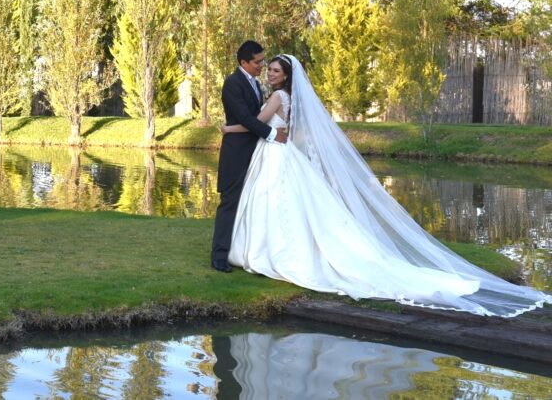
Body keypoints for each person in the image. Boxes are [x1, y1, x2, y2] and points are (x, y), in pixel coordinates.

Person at [219, 54, 550, 317]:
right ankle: (272, 249)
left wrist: (227, 129)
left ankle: (269, 253)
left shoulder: (277, 96)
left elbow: (255, 124)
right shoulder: (289, 97)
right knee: (284, 204)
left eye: (275, 69)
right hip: (281, 152)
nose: (271, 73)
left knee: (273, 202)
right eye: (269, 68)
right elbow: (284, 129)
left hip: (275, 155)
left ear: (286, 76)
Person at [210, 40, 287, 273]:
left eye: (263, 61)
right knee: (230, 202)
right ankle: (219, 256)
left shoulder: (255, 84)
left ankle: (245, 250)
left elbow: (257, 117)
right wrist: (273, 134)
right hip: (237, 152)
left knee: (252, 203)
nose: (262, 65)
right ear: (243, 62)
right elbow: (246, 118)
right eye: (258, 62)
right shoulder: (232, 83)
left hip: (257, 152)